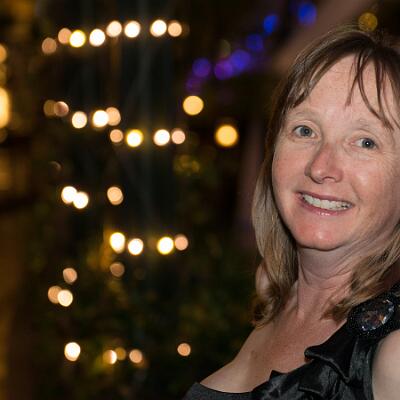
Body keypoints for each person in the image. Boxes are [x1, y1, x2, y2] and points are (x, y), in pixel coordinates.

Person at [183, 25, 400, 400]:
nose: (321, 167)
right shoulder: (274, 293)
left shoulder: (393, 353)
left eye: (365, 142)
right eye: (304, 130)